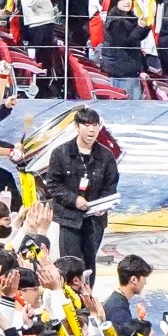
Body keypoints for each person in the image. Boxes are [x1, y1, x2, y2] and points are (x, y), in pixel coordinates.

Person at [42, 108, 119, 266]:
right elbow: (53, 184)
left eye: (95, 125)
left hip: (95, 220)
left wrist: (102, 205)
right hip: (69, 218)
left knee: (89, 263)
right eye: (86, 125)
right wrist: (74, 199)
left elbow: (110, 186)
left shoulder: (106, 156)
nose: (91, 130)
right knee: (71, 264)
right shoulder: (60, 153)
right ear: (76, 127)